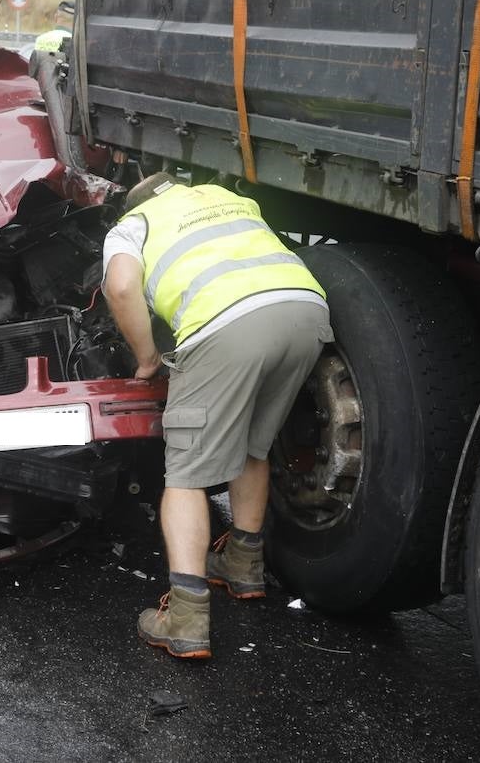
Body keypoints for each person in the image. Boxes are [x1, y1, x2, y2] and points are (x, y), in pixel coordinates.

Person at [102, 172, 332, 659]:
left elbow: (121, 287)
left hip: (225, 326)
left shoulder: (132, 225)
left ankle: (185, 617)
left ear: (131, 204)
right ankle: (243, 566)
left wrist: (146, 357)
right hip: (306, 311)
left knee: (184, 473)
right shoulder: (225, 199)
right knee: (253, 444)